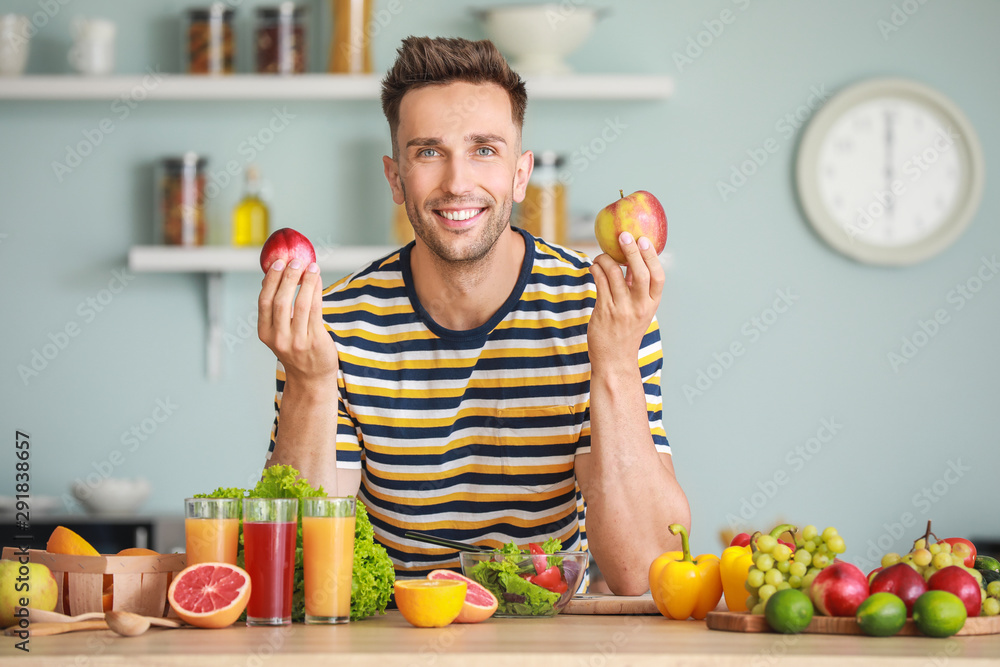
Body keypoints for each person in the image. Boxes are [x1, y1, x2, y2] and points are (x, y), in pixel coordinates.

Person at [258, 36, 689, 595]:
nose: (457, 182)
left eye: (484, 149)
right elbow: (293, 574)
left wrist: (613, 363)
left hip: (549, 638)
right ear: (395, 177)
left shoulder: (601, 310)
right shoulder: (334, 323)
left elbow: (646, 571)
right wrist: (311, 383)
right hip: (395, 639)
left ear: (520, 174)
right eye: (428, 152)